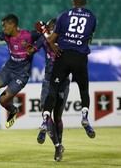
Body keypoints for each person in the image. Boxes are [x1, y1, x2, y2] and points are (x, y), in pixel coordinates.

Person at [41, 0, 97, 161]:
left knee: (53, 89)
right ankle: (85, 117)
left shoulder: (64, 16)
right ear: (85, 1)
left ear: (73, 1)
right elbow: (90, 39)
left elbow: (51, 40)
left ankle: (44, 120)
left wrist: (55, 45)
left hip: (63, 57)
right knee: (84, 90)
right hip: (80, 58)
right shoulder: (92, 17)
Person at [0, 14, 41, 128]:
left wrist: (35, 48)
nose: (3, 29)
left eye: (5, 26)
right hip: (9, 69)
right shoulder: (6, 36)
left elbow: (43, 36)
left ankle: (13, 110)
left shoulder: (28, 35)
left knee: (3, 100)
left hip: (22, 74)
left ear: (13, 25)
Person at [33, 18, 70, 161]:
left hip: (63, 81)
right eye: (51, 27)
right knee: (45, 112)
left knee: (58, 116)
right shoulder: (45, 39)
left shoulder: (66, 41)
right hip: (48, 80)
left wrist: (44, 30)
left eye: (55, 27)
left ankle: (58, 144)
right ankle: (57, 146)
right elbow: (34, 47)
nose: (53, 29)